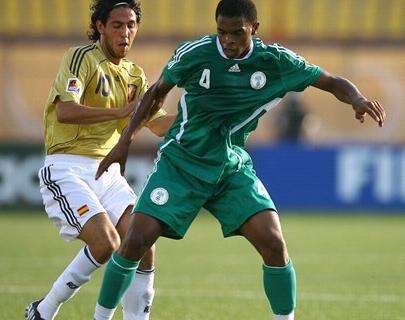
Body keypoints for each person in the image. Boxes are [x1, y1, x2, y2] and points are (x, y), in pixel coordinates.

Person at [93, 0, 387, 319]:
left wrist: (357, 99)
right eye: (222, 32)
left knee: (274, 244)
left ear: (254, 29)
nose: (228, 40)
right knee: (135, 240)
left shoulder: (275, 62)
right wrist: (126, 140)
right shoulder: (195, 54)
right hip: (181, 162)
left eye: (237, 33)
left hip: (230, 168)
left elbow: (331, 82)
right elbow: (156, 93)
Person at [25, 1, 175, 320]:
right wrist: (120, 112)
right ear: (100, 27)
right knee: (106, 243)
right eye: (117, 25)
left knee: (143, 241)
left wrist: (200, 117)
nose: (125, 32)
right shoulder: (81, 57)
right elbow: (66, 110)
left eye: (131, 25)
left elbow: (157, 122)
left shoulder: (134, 75)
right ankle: (44, 310)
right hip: (67, 165)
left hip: (105, 172)